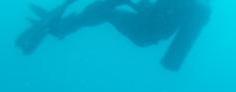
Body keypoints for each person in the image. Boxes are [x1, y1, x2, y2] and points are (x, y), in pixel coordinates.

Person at [16, 0, 212, 72]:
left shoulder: (187, 4)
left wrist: (145, 9)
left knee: (105, 10)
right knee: (106, 8)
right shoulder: (194, 6)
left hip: (144, 31)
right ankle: (62, 26)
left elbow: (162, 22)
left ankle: (61, 27)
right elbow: (164, 19)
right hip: (146, 31)